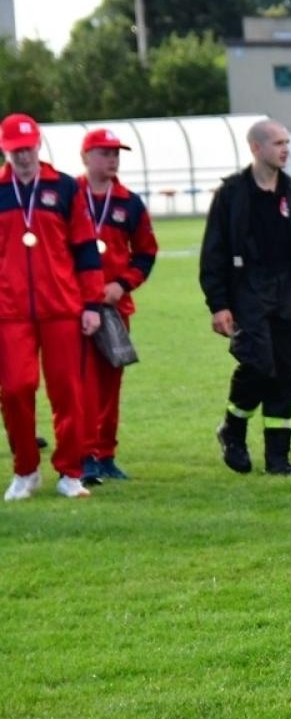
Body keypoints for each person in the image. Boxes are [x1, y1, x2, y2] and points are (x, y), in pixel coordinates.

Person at [200, 118, 291, 477]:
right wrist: (219, 304)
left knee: (287, 373)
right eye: (278, 143)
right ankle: (233, 430)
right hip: (248, 292)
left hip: (288, 291)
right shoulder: (231, 194)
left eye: (287, 142)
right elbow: (213, 252)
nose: (285, 149)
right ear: (256, 148)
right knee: (258, 364)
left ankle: (278, 458)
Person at [0, 112, 102, 500]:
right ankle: (26, 470)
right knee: (13, 389)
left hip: (61, 306)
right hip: (9, 310)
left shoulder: (64, 188)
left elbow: (86, 248)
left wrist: (91, 303)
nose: (22, 156)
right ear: (4, 149)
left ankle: (70, 472)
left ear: (38, 144)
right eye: (14, 150)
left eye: (27, 148)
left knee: (68, 391)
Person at [75, 128, 157, 483]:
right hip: (75, 307)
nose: (112, 160)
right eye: (104, 153)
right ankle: (84, 455)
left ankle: (105, 455)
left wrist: (122, 285)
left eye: (116, 154)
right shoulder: (68, 195)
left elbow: (146, 253)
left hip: (114, 309)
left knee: (110, 383)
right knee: (80, 384)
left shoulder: (129, 202)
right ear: (85, 157)